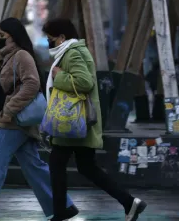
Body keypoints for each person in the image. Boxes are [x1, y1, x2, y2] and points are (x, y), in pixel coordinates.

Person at [0, 17, 78, 221]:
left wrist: (10, 110)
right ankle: (63, 205)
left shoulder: (22, 56)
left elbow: (32, 84)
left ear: (14, 36)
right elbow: (0, 93)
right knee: (33, 167)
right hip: (16, 121)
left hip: (14, 121)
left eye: (2, 36)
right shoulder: (7, 58)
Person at [42, 18, 147, 221]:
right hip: (77, 121)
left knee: (58, 163)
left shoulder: (72, 52)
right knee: (84, 166)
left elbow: (85, 82)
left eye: (50, 39)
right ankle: (129, 202)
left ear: (62, 37)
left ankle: (60, 212)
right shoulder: (71, 51)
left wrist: (58, 75)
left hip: (73, 120)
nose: (49, 43)